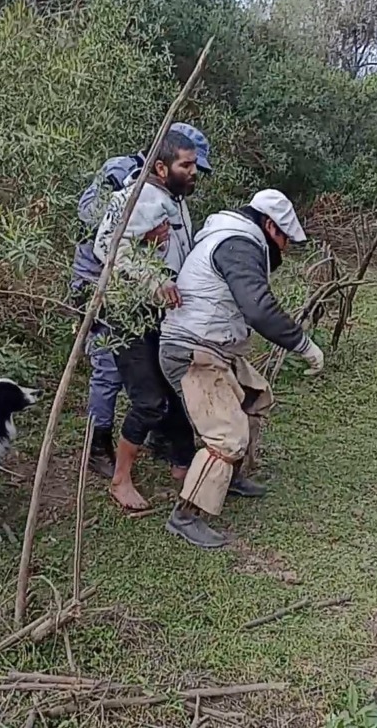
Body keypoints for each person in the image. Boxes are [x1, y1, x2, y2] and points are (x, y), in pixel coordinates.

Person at [159, 189, 324, 549]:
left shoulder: (232, 239)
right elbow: (259, 309)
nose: (285, 250)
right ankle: (186, 515)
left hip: (215, 348)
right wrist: (303, 344)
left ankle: (228, 478)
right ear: (269, 226)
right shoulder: (238, 244)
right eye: (284, 239)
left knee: (255, 399)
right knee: (226, 436)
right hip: (193, 351)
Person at [70, 123, 212, 478]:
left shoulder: (171, 196)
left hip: (147, 302)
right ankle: (98, 447)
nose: (194, 173)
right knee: (109, 370)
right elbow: (106, 242)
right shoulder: (128, 185)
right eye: (188, 165)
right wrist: (149, 267)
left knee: (157, 380)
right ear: (163, 163)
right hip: (114, 293)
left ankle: (161, 442)